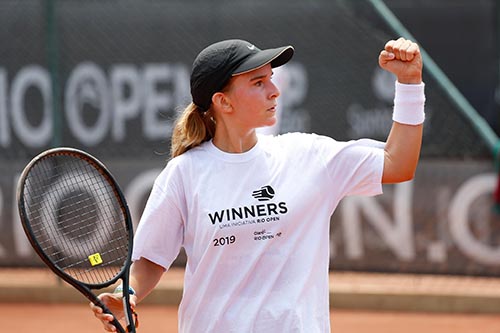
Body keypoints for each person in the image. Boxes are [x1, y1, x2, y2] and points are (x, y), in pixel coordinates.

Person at [90, 37, 425, 332]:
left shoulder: (308, 155)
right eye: (258, 82)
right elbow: (150, 260)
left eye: (271, 79)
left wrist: (409, 83)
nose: (275, 90)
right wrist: (126, 294)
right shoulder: (184, 174)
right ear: (223, 102)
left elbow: (399, 164)